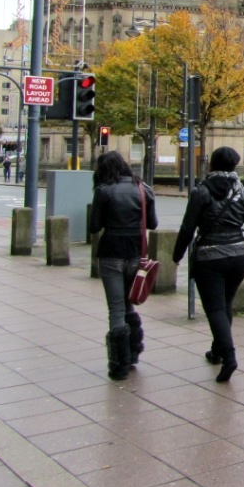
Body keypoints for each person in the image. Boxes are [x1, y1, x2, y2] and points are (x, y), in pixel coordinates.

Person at [173, 146, 244, 382]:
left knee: (215, 309)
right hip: (238, 256)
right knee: (225, 304)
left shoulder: (201, 192)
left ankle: (229, 357)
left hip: (209, 257)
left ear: (212, 165)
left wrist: (176, 256)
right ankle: (217, 351)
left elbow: (188, 227)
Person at [89, 151, 158, 381]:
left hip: (111, 252)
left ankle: (118, 363)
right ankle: (133, 351)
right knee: (128, 305)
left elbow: (94, 226)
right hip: (136, 253)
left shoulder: (103, 190)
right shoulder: (143, 188)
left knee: (116, 308)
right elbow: (154, 223)